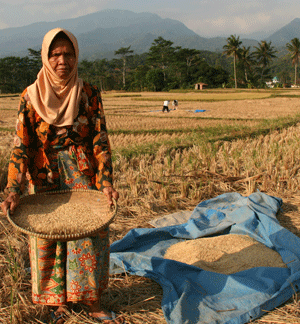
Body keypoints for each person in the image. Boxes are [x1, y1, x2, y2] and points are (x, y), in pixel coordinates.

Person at [0, 28, 123, 324]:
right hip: (45, 177)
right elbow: (21, 146)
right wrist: (13, 188)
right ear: (46, 57)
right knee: (51, 237)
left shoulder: (88, 92)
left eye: (68, 53)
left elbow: (100, 140)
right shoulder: (30, 97)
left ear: (76, 55)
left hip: (83, 174)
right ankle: (59, 304)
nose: (62, 60)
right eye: (55, 54)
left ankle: (91, 302)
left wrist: (106, 183)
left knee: (88, 235)